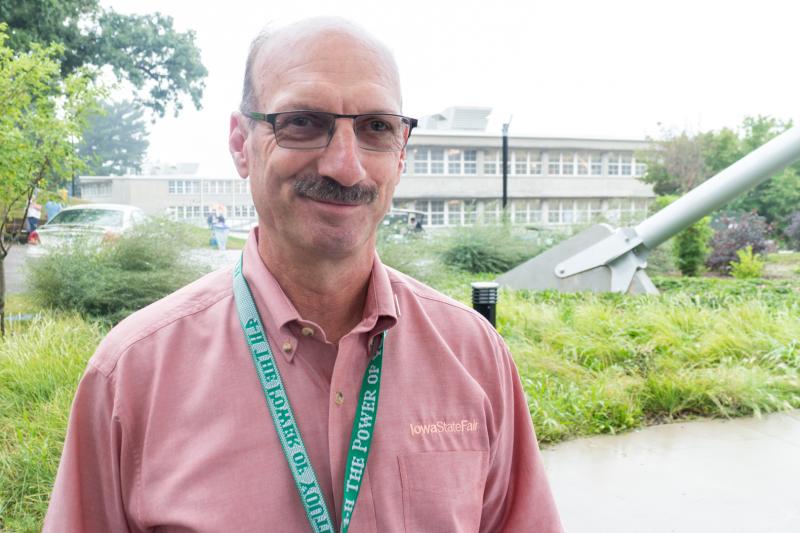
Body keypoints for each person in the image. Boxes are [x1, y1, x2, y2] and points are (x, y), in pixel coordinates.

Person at [44, 17, 562, 532]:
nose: (346, 167)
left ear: (401, 152)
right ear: (240, 143)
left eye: (376, 128)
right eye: (303, 122)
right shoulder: (133, 376)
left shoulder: (474, 357)